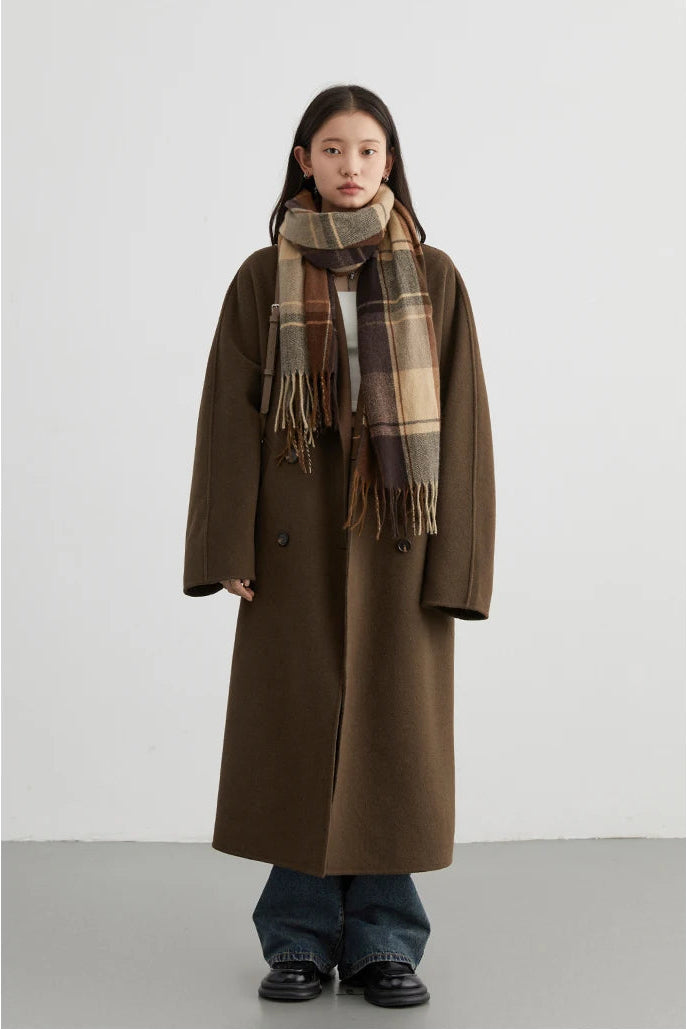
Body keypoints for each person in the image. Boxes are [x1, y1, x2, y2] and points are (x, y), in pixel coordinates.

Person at [183, 83, 496, 1008]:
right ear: (303, 161)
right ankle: (298, 936)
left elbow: (465, 423)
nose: (350, 166)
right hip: (294, 543)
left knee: (394, 744)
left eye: (366, 150)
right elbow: (228, 416)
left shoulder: (434, 275)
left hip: (401, 537)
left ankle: (386, 940)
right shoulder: (261, 275)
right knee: (298, 735)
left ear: (389, 161)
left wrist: (460, 565)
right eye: (332, 149)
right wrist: (226, 545)